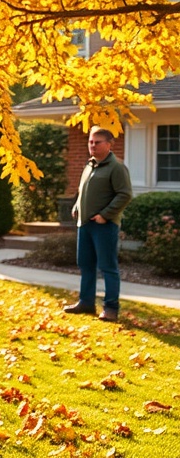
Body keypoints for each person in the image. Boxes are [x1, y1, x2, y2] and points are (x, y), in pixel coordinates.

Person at [64, 126, 133, 322]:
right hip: (84, 224)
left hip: (104, 225)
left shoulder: (117, 167)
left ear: (109, 144)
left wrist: (105, 215)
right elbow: (82, 190)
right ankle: (86, 303)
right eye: (90, 142)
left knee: (107, 267)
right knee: (85, 264)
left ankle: (111, 308)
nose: (92, 145)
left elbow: (125, 195)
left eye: (97, 142)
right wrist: (77, 205)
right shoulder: (90, 165)